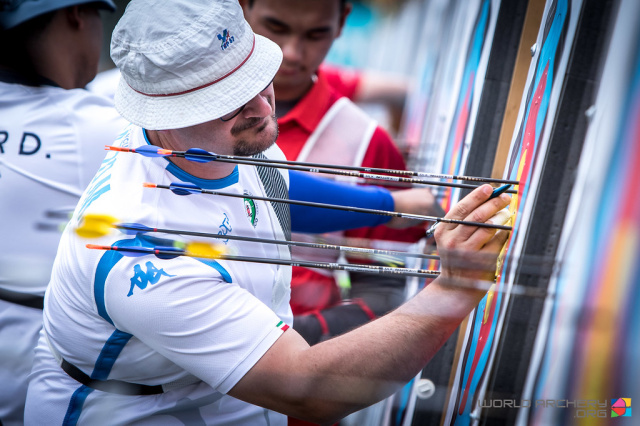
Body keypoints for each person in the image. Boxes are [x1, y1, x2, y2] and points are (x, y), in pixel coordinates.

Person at [24, 1, 510, 424]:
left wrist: (390, 206)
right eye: (226, 103)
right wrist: (454, 290)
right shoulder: (140, 254)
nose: (261, 108)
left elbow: (268, 183)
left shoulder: (209, 142)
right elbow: (308, 390)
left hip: (208, 393)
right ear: (162, 115)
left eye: (257, 79)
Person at [241, 0, 442, 345]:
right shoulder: (193, 107)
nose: (292, 53)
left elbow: (387, 285)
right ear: (244, 7)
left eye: (316, 34)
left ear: (341, 22)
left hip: (287, 372)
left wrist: (307, 332)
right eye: (276, 27)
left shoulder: (366, 141)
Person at [0, 1, 124, 424]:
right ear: (76, 14)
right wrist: (344, 204)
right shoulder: (95, 125)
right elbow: (254, 190)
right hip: (35, 378)